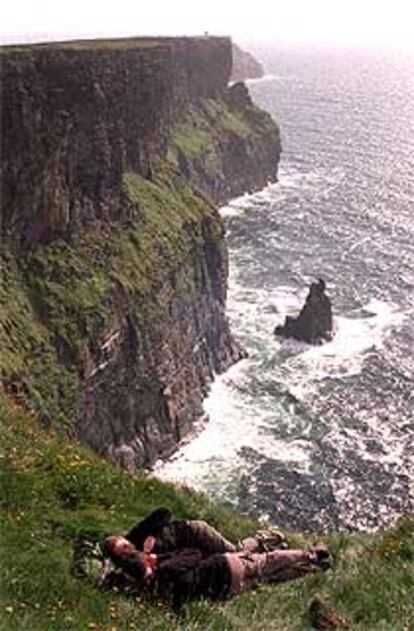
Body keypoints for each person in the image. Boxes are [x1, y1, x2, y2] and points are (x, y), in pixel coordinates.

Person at [101, 509, 331, 609]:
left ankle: (310, 566)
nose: (126, 548)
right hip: (217, 564)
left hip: (197, 535)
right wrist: (159, 559)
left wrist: (150, 536)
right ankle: (306, 556)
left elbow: (164, 512)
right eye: (121, 551)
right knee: (258, 561)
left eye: (123, 544)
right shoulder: (156, 567)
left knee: (262, 573)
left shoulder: (149, 582)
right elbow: (192, 556)